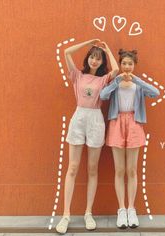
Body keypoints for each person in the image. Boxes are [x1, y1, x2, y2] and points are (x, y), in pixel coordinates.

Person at [56, 39, 119, 234]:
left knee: (92, 169)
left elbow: (116, 70)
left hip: (96, 120)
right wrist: (89, 43)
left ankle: (88, 213)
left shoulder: (103, 79)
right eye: (92, 57)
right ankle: (66, 214)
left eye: (98, 59)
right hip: (79, 117)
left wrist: (106, 48)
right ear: (88, 58)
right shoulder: (78, 75)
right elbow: (66, 52)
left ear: (101, 62)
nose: (94, 61)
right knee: (72, 167)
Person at [100, 49, 160, 229]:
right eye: (124, 63)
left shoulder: (138, 84)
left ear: (134, 66)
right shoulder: (116, 83)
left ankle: (131, 209)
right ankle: (121, 210)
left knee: (131, 170)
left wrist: (138, 80)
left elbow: (155, 92)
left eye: (130, 64)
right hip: (117, 123)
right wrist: (116, 81)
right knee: (119, 170)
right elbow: (102, 95)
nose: (126, 67)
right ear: (121, 65)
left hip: (134, 123)